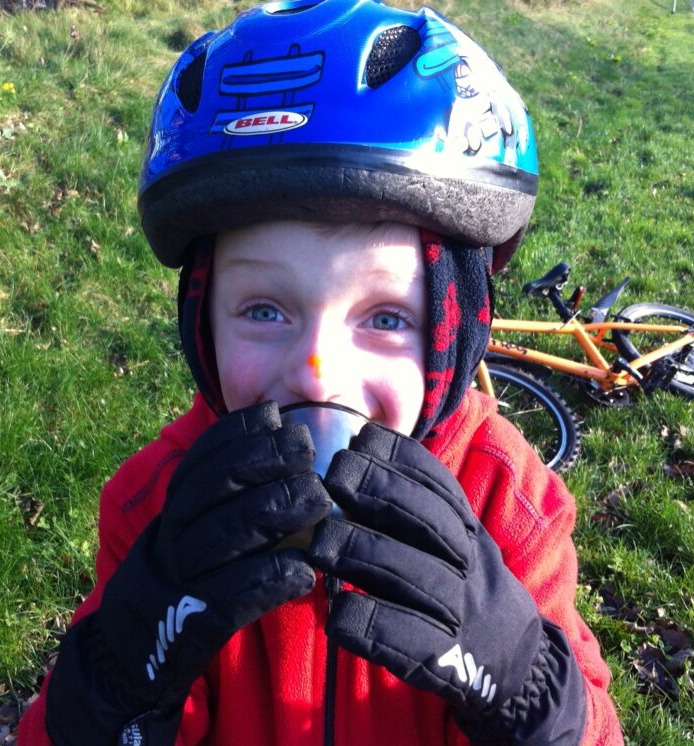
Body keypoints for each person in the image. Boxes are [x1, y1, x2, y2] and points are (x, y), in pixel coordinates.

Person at [19, 0, 624, 743]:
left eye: (385, 318)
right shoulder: (160, 505)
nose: (318, 376)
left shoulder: (508, 501)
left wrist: (526, 684)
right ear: (201, 319)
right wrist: (116, 676)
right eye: (265, 310)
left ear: (453, 328)